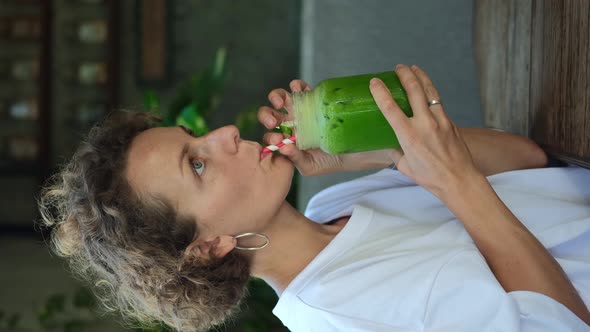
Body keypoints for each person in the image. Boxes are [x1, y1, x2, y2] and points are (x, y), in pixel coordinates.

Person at [38, 64, 590, 332]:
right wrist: (455, 184)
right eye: (198, 164)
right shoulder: (342, 314)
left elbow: (529, 161)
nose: (225, 134)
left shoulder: (334, 208)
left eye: (194, 139)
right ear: (206, 248)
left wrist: (371, 152)